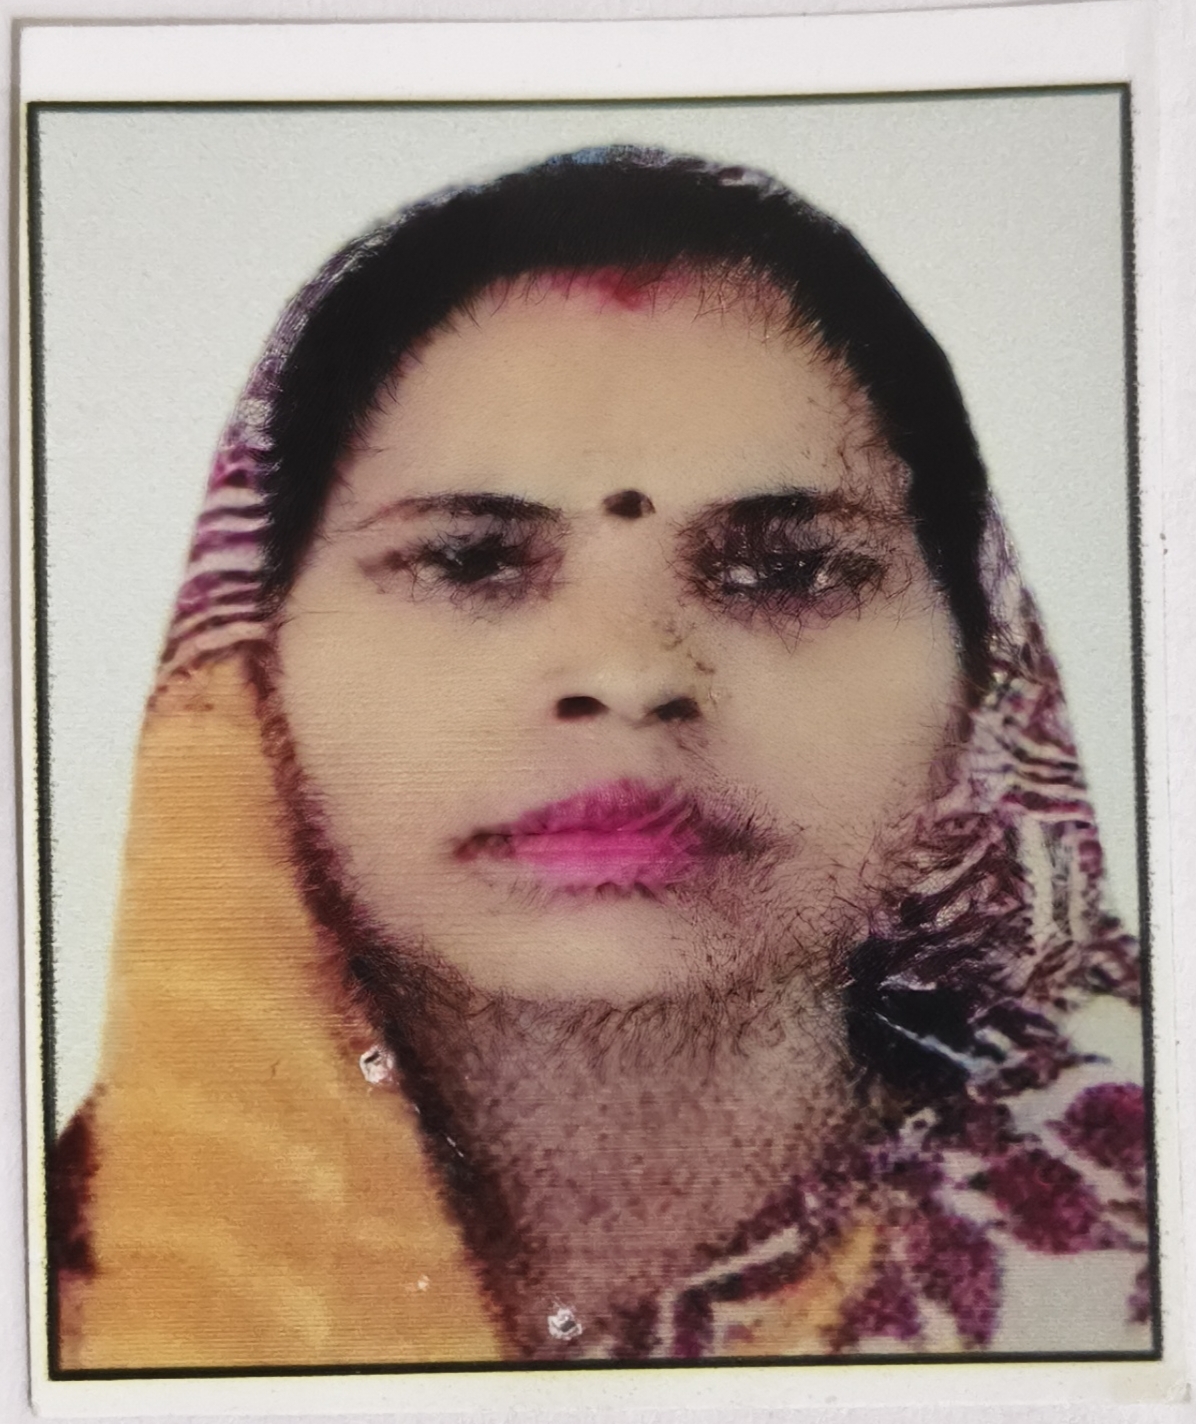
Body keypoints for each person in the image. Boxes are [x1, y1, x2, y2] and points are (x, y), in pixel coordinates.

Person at [50, 146, 1151, 1369]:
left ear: (988, 680)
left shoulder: (1139, 1253)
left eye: (789, 567)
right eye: (468, 559)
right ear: (242, 665)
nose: (629, 671)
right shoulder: (58, 1288)